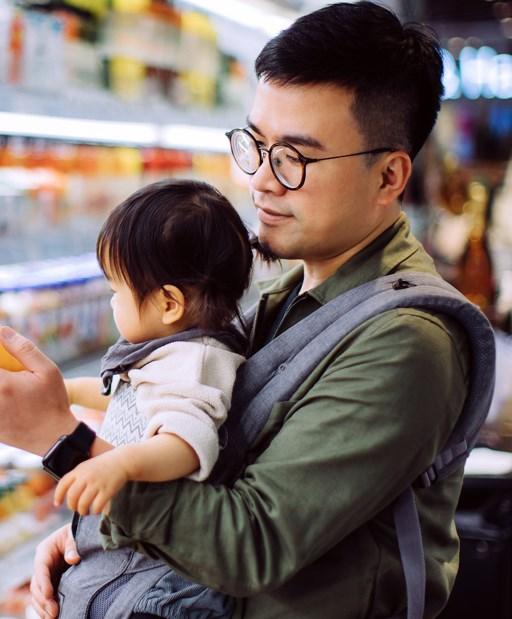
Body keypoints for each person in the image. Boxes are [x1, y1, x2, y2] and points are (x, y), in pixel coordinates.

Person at [0, 2, 471, 618]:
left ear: (388, 177)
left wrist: (62, 440)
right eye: (256, 143)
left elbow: (251, 542)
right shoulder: (289, 295)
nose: (262, 181)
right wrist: (100, 537)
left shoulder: (408, 342)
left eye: (296, 158)